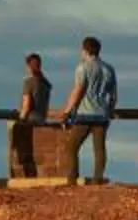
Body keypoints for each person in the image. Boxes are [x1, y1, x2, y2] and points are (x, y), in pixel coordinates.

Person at [59, 35, 117, 185]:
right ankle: (97, 179)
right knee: (99, 149)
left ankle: (72, 179)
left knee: (71, 147)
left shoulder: (82, 67)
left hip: (85, 113)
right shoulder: (108, 69)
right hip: (102, 114)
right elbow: (113, 95)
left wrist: (67, 111)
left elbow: (78, 90)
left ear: (85, 50)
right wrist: (109, 110)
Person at [11, 51, 53, 180]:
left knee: (20, 143)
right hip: (42, 118)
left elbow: (26, 104)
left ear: (28, 66)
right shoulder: (46, 83)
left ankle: (25, 173)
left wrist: (21, 119)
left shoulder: (28, 82)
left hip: (31, 119)